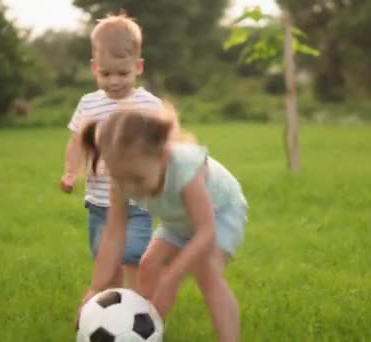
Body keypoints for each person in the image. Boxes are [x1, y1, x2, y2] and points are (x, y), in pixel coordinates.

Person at [78, 105, 248, 342]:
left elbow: (205, 232)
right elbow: (114, 235)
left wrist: (172, 279)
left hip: (221, 213)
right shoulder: (124, 179)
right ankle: (145, 328)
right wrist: (97, 286)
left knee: (207, 271)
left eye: (136, 179)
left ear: (163, 155)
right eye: (118, 178)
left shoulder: (185, 170)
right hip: (178, 220)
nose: (128, 188)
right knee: (148, 264)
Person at [60, 12, 161, 291]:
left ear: (138, 67)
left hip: (137, 202)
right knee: (105, 257)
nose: (114, 81)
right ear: (94, 68)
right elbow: (77, 142)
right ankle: (111, 303)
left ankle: (137, 304)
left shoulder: (149, 105)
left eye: (123, 73)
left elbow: (163, 147)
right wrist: (70, 172)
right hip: (99, 202)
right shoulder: (89, 104)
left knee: (133, 255)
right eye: (106, 74)